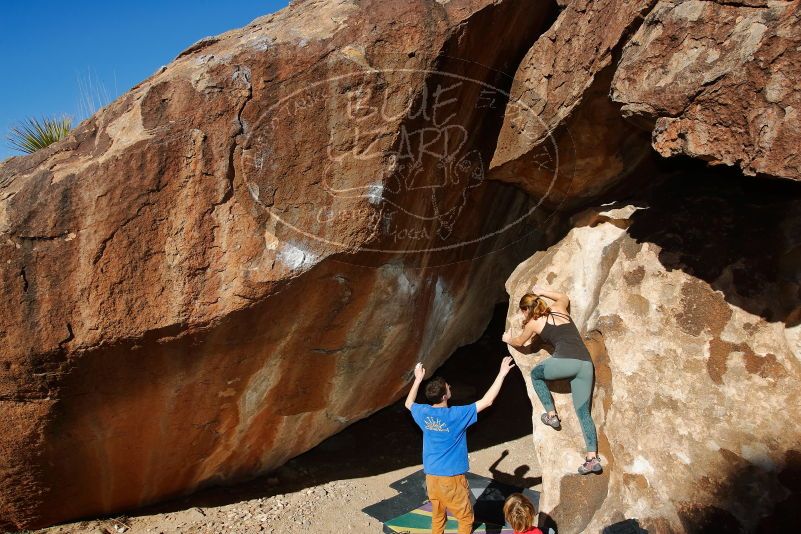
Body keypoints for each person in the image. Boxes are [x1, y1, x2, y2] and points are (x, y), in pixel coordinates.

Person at [405, 357, 517, 534]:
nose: (450, 388)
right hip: (451, 479)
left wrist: (417, 379)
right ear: (444, 396)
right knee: (465, 518)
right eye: (448, 387)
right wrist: (502, 374)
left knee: (438, 515)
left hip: (432, 477)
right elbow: (487, 401)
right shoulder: (455, 415)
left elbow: (408, 403)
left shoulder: (423, 412)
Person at [502, 285, 602, 475]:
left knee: (536, 375)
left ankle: (551, 415)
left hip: (566, 362)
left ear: (526, 310)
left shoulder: (533, 323)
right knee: (584, 413)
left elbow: (520, 342)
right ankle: (592, 458)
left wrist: (507, 338)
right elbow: (564, 296)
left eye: (523, 312)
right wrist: (542, 291)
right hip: (585, 364)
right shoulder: (559, 309)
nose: (523, 316)